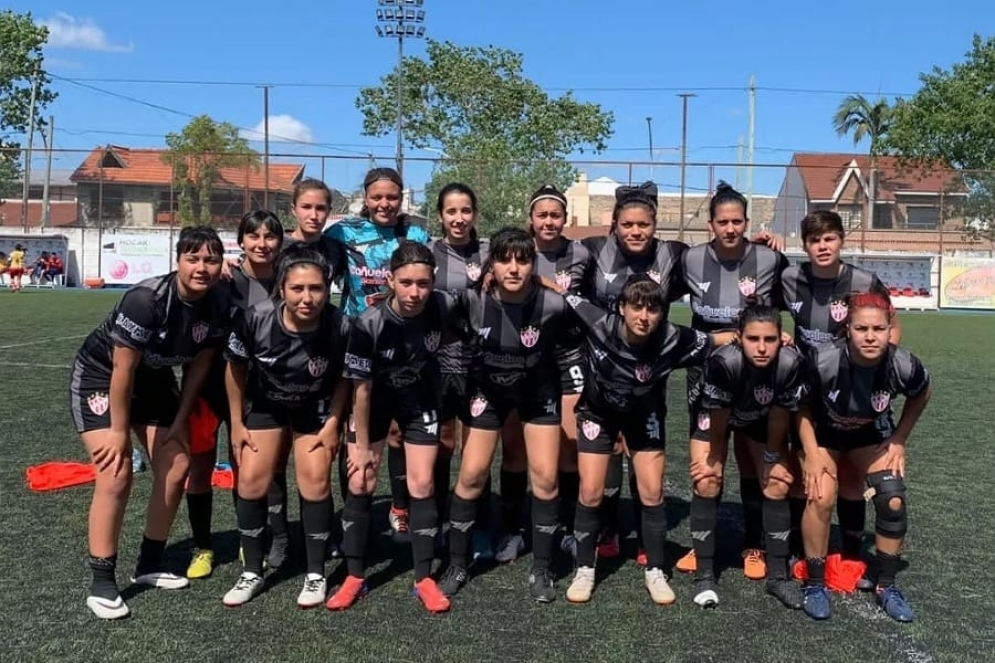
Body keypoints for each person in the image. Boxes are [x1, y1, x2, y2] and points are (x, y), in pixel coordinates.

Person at [69, 226, 229, 619]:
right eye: (193, 258)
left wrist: (179, 420)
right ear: (178, 261)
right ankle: (102, 580)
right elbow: (122, 370)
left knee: (176, 466)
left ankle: (149, 563)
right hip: (102, 377)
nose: (202, 267)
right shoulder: (146, 300)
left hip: (156, 382)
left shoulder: (218, 303)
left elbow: (200, 365)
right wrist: (120, 432)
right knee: (116, 472)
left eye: (211, 259)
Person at [561, 275, 728, 605]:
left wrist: (754, 338)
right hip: (599, 414)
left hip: (644, 416)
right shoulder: (598, 322)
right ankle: (585, 568)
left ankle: (655, 570)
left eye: (653, 309)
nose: (644, 316)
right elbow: (564, 295)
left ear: (662, 313)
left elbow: (714, 340)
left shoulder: (672, 337)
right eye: (636, 307)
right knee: (591, 490)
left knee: (651, 491)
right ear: (621, 308)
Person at [438, 227, 573, 604]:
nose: (513, 268)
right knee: (471, 474)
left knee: (545, 478)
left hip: (538, 393)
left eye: (523, 259)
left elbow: (584, 338)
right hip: (487, 393)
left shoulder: (555, 304)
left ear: (533, 264)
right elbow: (431, 322)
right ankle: (458, 564)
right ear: (491, 264)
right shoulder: (470, 301)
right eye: (504, 259)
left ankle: (543, 569)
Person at [328, 241, 458, 613]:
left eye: (423, 283)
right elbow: (362, 393)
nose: (415, 292)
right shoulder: (369, 323)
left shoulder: (444, 305)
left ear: (432, 281)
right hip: (375, 404)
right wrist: (364, 447)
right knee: (360, 480)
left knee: (422, 483)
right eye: (406, 283)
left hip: (420, 401)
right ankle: (355, 576)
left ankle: (423, 578)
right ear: (390, 280)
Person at [222, 244, 351, 608]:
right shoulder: (255, 319)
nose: (307, 297)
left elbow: (345, 377)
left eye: (316, 289)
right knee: (251, 480)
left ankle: (315, 574)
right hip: (266, 406)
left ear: (327, 290)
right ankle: (252, 570)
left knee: (314, 480)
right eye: (298, 289)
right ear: (281, 288)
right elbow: (234, 370)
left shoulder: (340, 324)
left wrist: (334, 423)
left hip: (315, 408)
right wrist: (236, 422)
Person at [677, 181, 788, 582]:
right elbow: (652, 295)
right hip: (706, 372)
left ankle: (754, 545)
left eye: (737, 221)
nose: (730, 228)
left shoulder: (769, 259)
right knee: (707, 465)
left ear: (747, 222)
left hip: (757, 373)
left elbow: (795, 300)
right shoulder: (688, 260)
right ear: (710, 224)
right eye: (722, 222)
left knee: (753, 459)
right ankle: (702, 545)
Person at [780, 209, 901, 576]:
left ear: (841, 240)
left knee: (850, 478)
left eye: (829, 238)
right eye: (814, 240)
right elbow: (762, 307)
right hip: (809, 393)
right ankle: (801, 552)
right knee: (809, 477)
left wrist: (883, 366)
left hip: (855, 391)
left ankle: (849, 553)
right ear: (805, 245)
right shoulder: (789, 277)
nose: (822, 246)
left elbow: (891, 324)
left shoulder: (863, 280)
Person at [797, 292, 930, 622]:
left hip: (869, 436)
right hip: (823, 435)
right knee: (820, 495)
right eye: (861, 329)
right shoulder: (822, 359)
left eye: (878, 329)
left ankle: (886, 584)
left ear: (889, 330)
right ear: (847, 330)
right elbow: (798, 407)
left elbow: (922, 393)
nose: (870, 337)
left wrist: (899, 439)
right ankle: (815, 583)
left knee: (893, 498)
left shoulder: (903, 364)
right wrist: (811, 454)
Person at [578, 181, 687, 563]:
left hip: (648, 370)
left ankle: (645, 538)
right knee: (606, 453)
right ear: (615, 225)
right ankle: (607, 530)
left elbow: (723, 262)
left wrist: (760, 245)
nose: (636, 231)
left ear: (655, 226)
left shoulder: (674, 255)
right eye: (627, 224)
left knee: (643, 450)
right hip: (602, 369)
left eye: (643, 224)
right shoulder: (592, 250)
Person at [325, 167, 432, 543]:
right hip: (357, 344)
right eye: (377, 197)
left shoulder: (416, 233)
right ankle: (352, 516)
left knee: (401, 432)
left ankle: (400, 509)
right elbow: (310, 264)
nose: (385, 203)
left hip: (406, 347)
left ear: (401, 197)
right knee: (353, 434)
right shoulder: (342, 233)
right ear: (365, 198)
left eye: (392, 196)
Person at [184, 211, 284, 580]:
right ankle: (202, 546)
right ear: (240, 241)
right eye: (253, 236)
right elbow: (188, 277)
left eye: (270, 236)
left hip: (256, 389)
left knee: (250, 467)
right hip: (207, 385)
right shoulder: (222, 278)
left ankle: (251, 538)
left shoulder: (285, 279)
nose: (262, 243)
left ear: (280, 241)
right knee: (199, 468)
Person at [691, 304, 805, 609]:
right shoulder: (723, 361)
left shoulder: (790, 362)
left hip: (759, 416)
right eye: (753, 338)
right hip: (715, 416)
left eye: (770, 339)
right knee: (707, 480)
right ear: (739, 338)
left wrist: (771, 456)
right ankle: (704, 576)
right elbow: (719, 417)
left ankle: (778, 578)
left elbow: (781, 413)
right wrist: (714, 457)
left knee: (777, 482)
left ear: (781, 338)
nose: (763, 347)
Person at [527, 183, 591, 560]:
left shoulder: (581, 252)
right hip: (528, 357)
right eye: (542, 215)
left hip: (570, 355)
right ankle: (519, 526)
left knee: (569, 446)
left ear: (565, 219)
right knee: (519, 449)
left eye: (555, 215)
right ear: (531, 218)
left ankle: (566, 527)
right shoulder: (516, 253)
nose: (549, 222)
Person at [430, 182, 493, 558]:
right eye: (451, 211)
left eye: (465, 210)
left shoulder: (489, 253)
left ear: (475, 214)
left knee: (476, 448)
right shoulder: (428, 253)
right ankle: (437, 521)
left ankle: (480, 525)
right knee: (442, 443)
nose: (458, 218)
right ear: (440, 215)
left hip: (479, 363)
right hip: (437, 362)